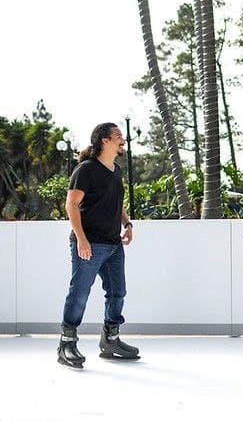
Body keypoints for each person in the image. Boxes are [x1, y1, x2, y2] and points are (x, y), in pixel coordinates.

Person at [58, 123, 140, 369]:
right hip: (90, 243)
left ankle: (110, 340)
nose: (122, 140)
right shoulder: (86, 169)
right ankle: (66, 343)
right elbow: (71, 205)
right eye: (118, 136)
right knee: (80, 293)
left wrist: (127, 223)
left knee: (118, 292)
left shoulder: (115, 170)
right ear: (105, 141)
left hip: (114, 245)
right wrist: (81, 239)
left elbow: (117, 201)